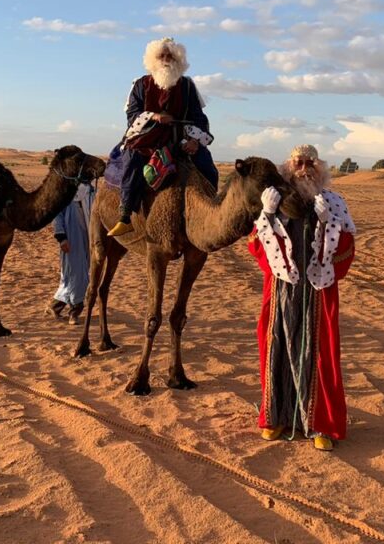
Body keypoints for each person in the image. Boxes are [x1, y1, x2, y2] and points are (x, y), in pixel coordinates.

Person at [246, 144, 356, 451]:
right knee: (278, 348)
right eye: (298, 162)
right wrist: (266, 215)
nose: (304, 168)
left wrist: (327, 222)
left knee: (319, 356)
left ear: (319, 166)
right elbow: (256, 246)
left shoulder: (333, 202)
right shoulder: (276, 200)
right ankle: (276, 416)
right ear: (288, 166)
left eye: (310, 162)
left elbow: (346, 250)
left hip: (318, 293)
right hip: (282, 290)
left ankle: (322, 424)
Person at [107, 37, 219, 237]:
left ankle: (212, 210)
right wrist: (155, 117)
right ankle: (125, 215)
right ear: (153, 59)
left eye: (170, 56)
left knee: (207, 165)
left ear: (178, 60)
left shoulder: (187, 86)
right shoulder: (141, 84)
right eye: (162, 56)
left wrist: (195, 141)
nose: (166, 59)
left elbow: (199, 118)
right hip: (147, 138)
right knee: (132, 160)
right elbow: (132, 115)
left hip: (179, 139)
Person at [47, 181, 95, 323]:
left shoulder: (91, 192)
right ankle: (75, 311)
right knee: (76, 275)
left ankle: (55, 305)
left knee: (77, 276)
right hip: (70, 239)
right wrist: (61, 238)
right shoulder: (64, 194)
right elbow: (57, 217)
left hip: (88, 239)